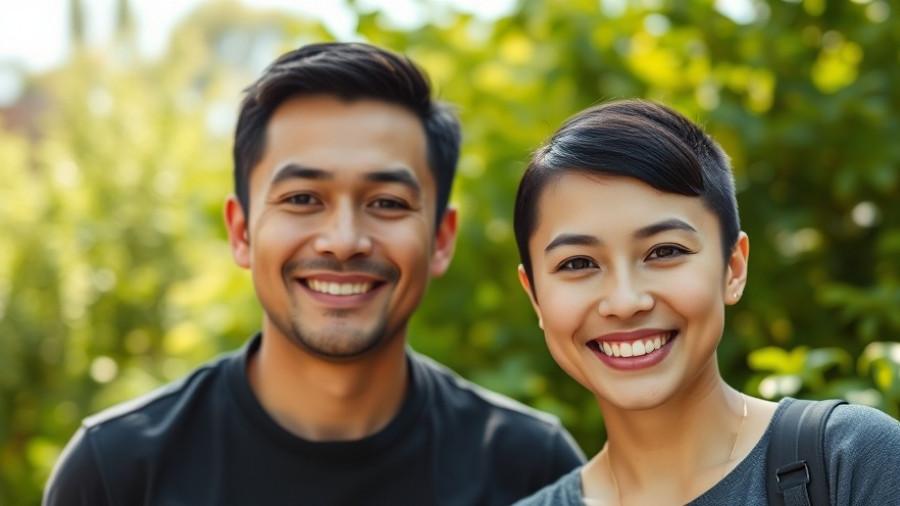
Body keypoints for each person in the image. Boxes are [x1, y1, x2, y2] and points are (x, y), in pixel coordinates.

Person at [43, 42, 584, 506]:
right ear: (241, 232)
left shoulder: (531, 469)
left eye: (388, 202)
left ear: (441, 238)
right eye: (302, 198)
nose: (344, 240)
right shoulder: (116, 473)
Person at [510, 99, 900, 505]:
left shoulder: (850, 463)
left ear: (733, 267)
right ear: (535, 296)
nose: (625, 302)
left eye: (664, 251)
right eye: (578, 262)